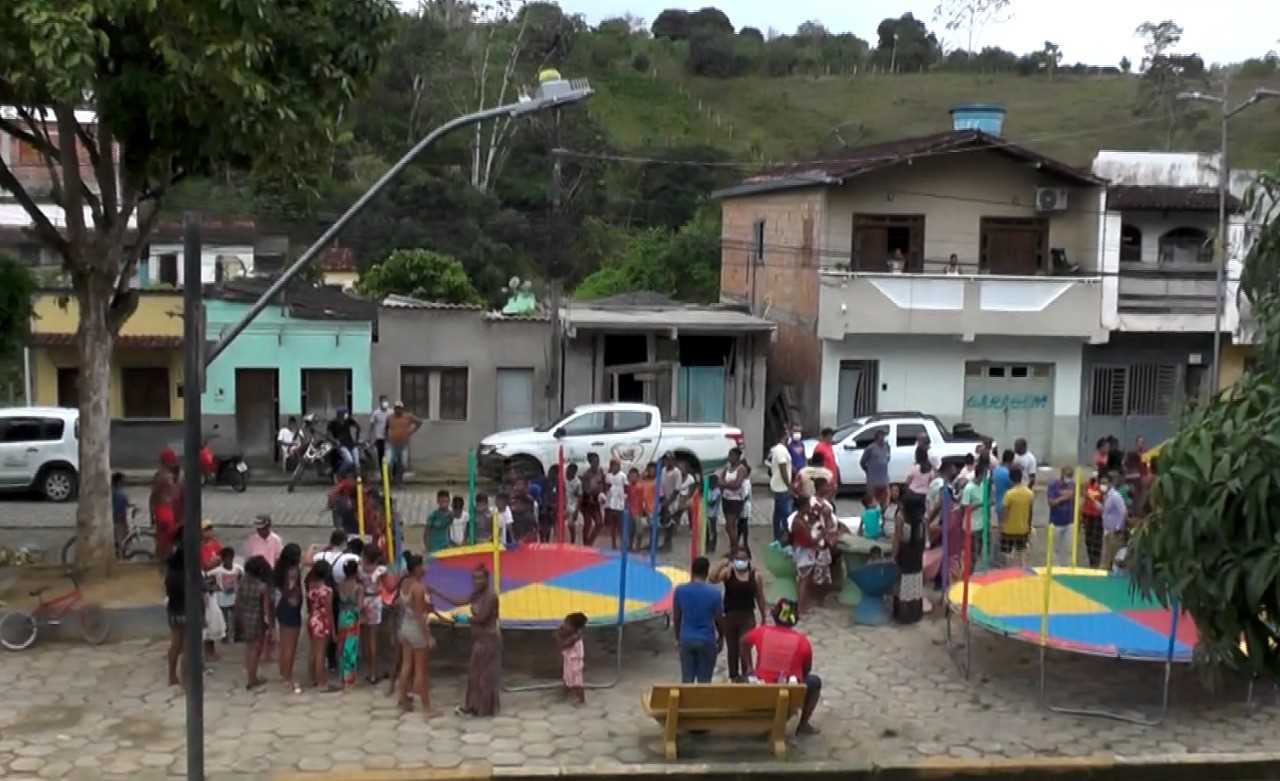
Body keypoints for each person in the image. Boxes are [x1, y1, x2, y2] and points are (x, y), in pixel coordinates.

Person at [740, 598, 821, 736]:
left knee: (744, 679)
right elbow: (806, 670)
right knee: (815, 682)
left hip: (762, 691)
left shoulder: (761, 632)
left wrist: (749, 666)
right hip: (788, 695)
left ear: (775, 616)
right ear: (794, 620)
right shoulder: (803, 642)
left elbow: (743, 642)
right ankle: (803, 725)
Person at [448, 565, 501, 717]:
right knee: (474, 674)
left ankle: (483, 709)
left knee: (484, 676)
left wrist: (466, 619)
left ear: (487, 579)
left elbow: (482, 618)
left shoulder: (491, 596)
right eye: (474, 578)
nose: (477, 581)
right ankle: (473, 705)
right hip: (479, 639)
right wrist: (437, 594)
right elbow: (458, 602)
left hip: (488, 639)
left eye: (480, 578)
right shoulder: (476, 594)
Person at [710, 546, 768, 681]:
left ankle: (747, 675)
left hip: (747, 616)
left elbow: (760, 596)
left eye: (743, 558)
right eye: (737, 558)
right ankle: (734, 676)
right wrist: (722, 563)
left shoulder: (755, 575)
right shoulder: (729, 572)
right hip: (730, 616)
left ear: (749, 559)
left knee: (745, 646)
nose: (740, 561)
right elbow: (712, 578)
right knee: (732, 649)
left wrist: (764, 615)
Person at [396, 552, 439, 718]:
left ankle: (403, 699)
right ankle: (427, 708)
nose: (425, 568)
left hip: (405, 627)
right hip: (415, 629)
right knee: (421, 670)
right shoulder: (418, 588)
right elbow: (420, 615)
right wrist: (428, 637)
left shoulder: (405, 584)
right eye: (423, 565)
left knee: (406, 665)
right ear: (417, 568)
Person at [893, 446, 932, 623]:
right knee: (915, 585)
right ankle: (915, 614)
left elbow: (896, 539)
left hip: (904, 556)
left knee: (902, 586)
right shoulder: (922, 521)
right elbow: (925, 541)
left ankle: (902, 614)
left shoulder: (902, 519)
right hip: (916, 557)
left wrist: (893, 556)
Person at [672, 556, 723, 683]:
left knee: (687, 680)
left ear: (692, 571)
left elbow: (677, 617)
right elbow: (719, 619)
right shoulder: (715, 594)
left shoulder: (680, 591)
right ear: (706, 572)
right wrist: (721, 637)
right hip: (706, 639)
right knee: (704, 683)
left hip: (687, 638)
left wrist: (678, 637)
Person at [235, 555, 274, 690]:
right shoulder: (262, 587)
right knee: (256, 650)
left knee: (248, 647)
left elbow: (237, 602)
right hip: (257, 620)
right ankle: (252, 679)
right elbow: (266, 609)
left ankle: (251, 675)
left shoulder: (242, 582)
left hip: (245, 618)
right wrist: (270, 627)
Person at [274, 543, 305, 694]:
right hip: (291, 608)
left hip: (282, 607)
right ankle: (288, 677)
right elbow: (291, 588)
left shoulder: (280, 568)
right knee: (291, 647)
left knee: (284, 644)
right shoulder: (293, 571)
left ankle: (283, 673)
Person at [358, 547, 388, 685]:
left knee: (364, 637)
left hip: (363, 601)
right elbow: (388, 584)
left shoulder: (359, 569)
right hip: (375, 601)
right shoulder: (380, 570)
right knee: (373, 639)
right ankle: (373, 673)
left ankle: (367, 668)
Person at [305, 560, 335, 689]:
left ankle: (313, 679)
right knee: (321, 653)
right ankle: (322, 682)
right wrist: (333, 630)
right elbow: (329, 611)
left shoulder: (311, 587)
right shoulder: (327, 591)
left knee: (313, 650)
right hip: (322, 620)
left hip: (313, 618)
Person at [335, 559, 362, 689]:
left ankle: (341, 677)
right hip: (352, 618)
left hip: (341, 616)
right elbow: (359, 606)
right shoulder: (358, 587)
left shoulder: (339, 585)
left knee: (341, 645)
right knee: (351, 647)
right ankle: (349, 679)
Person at [718, 448, 751, 552]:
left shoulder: (741, 469)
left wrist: (725, 484)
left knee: (730, 525)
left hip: (735, 500)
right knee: (728, 526)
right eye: (729, 455)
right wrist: (728, 484)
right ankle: (734, 546)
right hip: (726, 499)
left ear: (737, 456)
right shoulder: (727, 468)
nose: (729, 457)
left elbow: (737, 485)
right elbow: (720, 481)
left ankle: (735, 548)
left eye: (732, 455)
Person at [151, 448, 181, 561]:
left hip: (163, 510)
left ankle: (160, 559)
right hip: (165, 510)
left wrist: (152, 514)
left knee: (163, 539)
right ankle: (162, 560)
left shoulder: (160, 475)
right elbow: (174, 495)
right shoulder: (167, 476)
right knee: (168, 539)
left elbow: (153, 496)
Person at [1001, 467, 1034, 563]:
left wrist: (1002, 525)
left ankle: (1009, 573)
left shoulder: (1009, 494)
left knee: (1007, 555)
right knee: (1021, 554)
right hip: (1023, 529)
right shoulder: (1029, 493)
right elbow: (1031, 512)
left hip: (1009, 529)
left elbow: (1005, 512)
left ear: (1010, 478)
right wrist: (1029, 525)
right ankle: (1021, 573)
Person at [385, 401, 423, 484]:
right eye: (396, 408)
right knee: (388, 463)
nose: (398, 410)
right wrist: (387, 437)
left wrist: (411, 431)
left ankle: (399, 481)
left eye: (399, 408)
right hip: (392, 444)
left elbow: (419, 422)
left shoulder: (408, 416)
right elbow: (386, 427)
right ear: (394, 409)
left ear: (402, 409)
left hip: (403, 444)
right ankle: (389, 480)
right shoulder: (390, 417)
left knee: (403, 464)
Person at [556, 612, 588, 706]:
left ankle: (581, 700)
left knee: (577, 682)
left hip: (575, 663)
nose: (564, 625)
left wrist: (558, 635)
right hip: (569, 660)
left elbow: (563, 645)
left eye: (567, 623)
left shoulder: (575, 637)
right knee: (566, 677)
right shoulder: (572, 633)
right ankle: (566, 691)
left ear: (574, 628)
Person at [211, 546, 242, 643]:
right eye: (226, 559)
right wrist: (214, 586)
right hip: (222, 598)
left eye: (230, 558)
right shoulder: (218, 570)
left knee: (235, 617)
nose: (228, 561)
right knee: (224, 619)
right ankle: (225, 636)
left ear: (233, 558)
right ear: (222, 559)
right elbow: (206, 575)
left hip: (234, 598)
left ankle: (237, 635)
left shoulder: (238, 568)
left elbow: (243, 575)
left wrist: (239, 585)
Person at [165, 547, 186, 687]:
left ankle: (172, 675)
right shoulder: (186, 574)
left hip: (173, 610)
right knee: (188, 647)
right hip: (186, 611)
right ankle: (186, 679)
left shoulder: (170, 575)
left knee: (175, 645)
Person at [769, 431, 794, 544]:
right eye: (789, 435)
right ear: (784, 436)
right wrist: (789, 485)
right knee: (785, 514)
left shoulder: (781, 449)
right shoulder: (780, 450)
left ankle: (777, 537)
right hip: (782, 487)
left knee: (778, 513)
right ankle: (785, 537)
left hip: (780, 486)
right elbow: (783, 467)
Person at [1047, 466, 1076, 564]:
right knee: (1055, 550)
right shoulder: (1053, 485)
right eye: (1068, 476)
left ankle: (1067, 569)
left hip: (1069, 522)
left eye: (1071, 476)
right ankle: (1055, 569)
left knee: (1069, 549)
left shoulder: (1072, 485)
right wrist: (1063, 498)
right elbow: (1051, 503)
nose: (1069, 478)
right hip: (1056, 523)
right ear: (1062, 475)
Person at [860, 427, 892, 515]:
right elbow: (862, 462)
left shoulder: (887, 446)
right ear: (877, 436)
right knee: (871, 503)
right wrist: (868, 471)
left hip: (884, 479)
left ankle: (882, 517)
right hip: (873, 480)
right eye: (881, 435)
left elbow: (888, 458)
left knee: (885, 502)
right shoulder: (870, 448)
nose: (883, 437)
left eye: (884, 435)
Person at [1100, 473, 1128, 571]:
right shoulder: (1106, 496)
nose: (1102, 485)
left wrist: (1118, 528)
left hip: (1114, 532)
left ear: (1110, 483)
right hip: (1107, 531)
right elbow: (1105, 511)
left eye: (1105, 483)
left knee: (1114, 558)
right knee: (1106, 558)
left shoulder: (1116, 496)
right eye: (1101, 483)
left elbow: (1123, 512)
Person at [328, 407, 362, 476]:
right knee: (349, 461)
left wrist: (357, 439)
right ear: (340, 414)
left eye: (347, 413)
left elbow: (358, 427)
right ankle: (338, 474)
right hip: (341, 445)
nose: (346, 415)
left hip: (351, 444)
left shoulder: (348, 420)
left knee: (357, 464)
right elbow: (328, 434)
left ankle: (358, 481)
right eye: (345, 413)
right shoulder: (333, 423)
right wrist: (334, 440)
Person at [579, 453, 604, 546]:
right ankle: (585, 543)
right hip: (587, 501)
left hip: (595, 499)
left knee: (600, 523)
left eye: (598, 461)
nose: (596, 463)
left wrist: (602, 493)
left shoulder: (600, 471)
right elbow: (585, 490)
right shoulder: (587, 474)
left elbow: (602, 483)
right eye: (594, 462)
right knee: (588, 523)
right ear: (590, 463)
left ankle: (589, 542)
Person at [602, 458, 627, 550]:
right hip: (611, 503)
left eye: (617, 465)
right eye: (614, 465)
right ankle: (613, 544)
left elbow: (626, 488)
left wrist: (625, 499)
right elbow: (606, 488)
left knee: (621, 525)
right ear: (611, 466)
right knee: (613, 525)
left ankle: (622, 543)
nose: (615, 467)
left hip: (620, 503)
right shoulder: (608, 476)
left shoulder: (623, 476)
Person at [111, 471, 134, 552]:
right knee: (121, 537)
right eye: (123, 481)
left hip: (119, 517)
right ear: (118, 482)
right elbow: (121, 505)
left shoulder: (116, 491)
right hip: (119, 518)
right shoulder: (118, 493)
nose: (125, 482)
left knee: (121, 537)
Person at [812, 428, 840, 492]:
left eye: (831, 436)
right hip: (824, 480)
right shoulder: (819, 448)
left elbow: (832, 462)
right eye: (829, 436)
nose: (831, 438)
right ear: (824, 437)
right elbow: (816, 465)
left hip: (832, 480)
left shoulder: (829, 446)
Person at [563, 464, 583, 544]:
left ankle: (573, 540)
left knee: (571, 524)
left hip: (572, 506)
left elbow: (580, 497)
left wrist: (576, 511)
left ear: (574, 472)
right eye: (567, 470)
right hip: (564, 504)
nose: (568, 472)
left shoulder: (578, 482)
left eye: (571, 471)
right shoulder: (563, 479)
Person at [369, 395, 391, 466]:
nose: (385, 403)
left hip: (389, 438)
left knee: (389, 459)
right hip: (379, 439)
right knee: (381, 458)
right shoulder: (376, 413)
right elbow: (371, 426)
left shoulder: (391, 412)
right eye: (383, 401)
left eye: (386, 401)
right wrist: (370, 438)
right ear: (380, 402)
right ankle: (383, 475)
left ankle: (390, 475)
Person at [705, 475, 722, 553]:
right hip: (706, 513)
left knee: (713, 530)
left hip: (713, 514)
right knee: (707, 530)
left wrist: (706, 501)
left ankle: (713, 546)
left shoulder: (718, 491)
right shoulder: (707, 490)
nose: (712, 484)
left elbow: (712, 503)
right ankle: (707, 545)